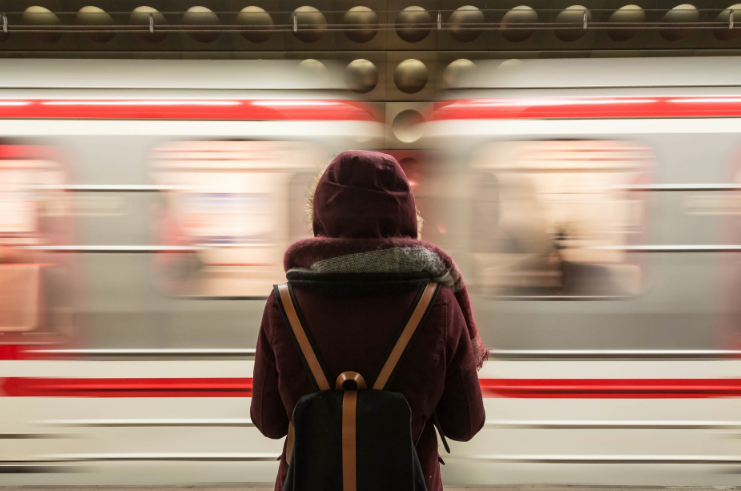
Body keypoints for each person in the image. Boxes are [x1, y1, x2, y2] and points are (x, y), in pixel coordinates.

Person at [251, 150, 487, 491]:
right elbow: (465, 425)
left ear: (321, 214)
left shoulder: (283, 304)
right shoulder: (439, 303)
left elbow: (268, 422)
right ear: (407, 214)